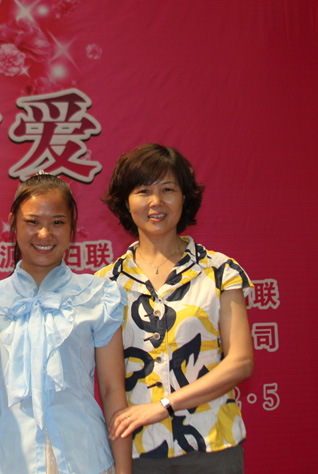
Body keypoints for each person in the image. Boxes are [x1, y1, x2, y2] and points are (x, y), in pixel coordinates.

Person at [0, 173, 132, 474]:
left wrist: (124, 471)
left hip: (85, 460)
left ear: (72, 227)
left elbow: (113, 390)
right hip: (6, 461)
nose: (44, 234)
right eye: (32, 222)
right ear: (13, 223)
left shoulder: (97, 295)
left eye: (57, 222)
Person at [98, 144, 254, 473]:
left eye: (168, 189)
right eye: (143, 191)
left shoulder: (219, 270)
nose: (156, 202)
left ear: (185, 198)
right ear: (126, 201)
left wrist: (164, 406)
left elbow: (240, 362)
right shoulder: (105, 285)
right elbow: (110, 384)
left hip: (213, 444)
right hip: (139, 451)